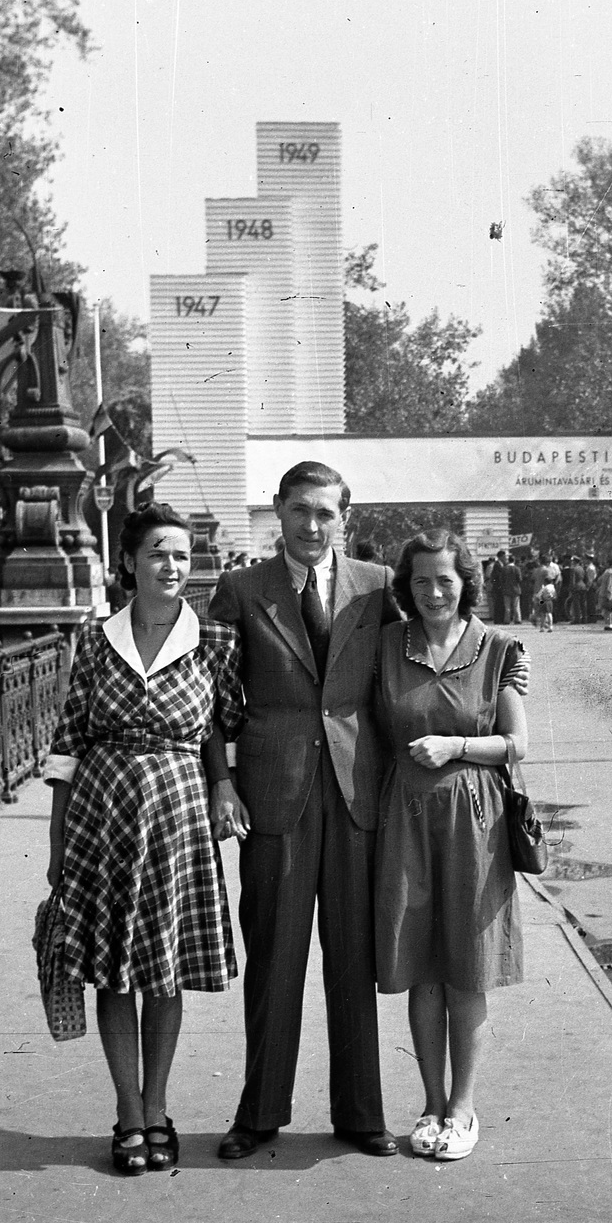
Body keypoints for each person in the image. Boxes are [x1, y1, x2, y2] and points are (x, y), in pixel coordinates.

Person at [206, 462, 404, 1159]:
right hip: (272, 794)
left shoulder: (378, 588)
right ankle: (259, 1113)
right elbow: (211, 701)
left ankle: (359, 1113)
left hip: (356, 793)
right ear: (278, 511)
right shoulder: (239, 589)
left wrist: (504, 664)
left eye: (324, 513)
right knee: (274, 959)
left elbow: (433, 646)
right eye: (299, 511)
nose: (311, 526)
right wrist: (221, 785)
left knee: (353, 959)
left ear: (343, 518)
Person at [45, 503, 246, 1175]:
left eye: (182, 556)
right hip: (102, 818)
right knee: (113, 971)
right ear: (129, 560)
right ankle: (128, 1112)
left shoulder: (213, 642)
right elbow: (68, 746)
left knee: (162, 971)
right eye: (159, 553)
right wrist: (56, 850)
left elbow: (219, 727)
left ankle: (158, 1107)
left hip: (177, 819)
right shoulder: (96, 641)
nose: (172, 567)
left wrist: (222, 784)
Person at [373, 530, 528, 1161]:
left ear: (466, 582)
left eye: (445, 579)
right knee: (421, 966)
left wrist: (455, 746)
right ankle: (430, 1104)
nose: (434, 592)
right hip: (405, 816)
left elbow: (516, 743)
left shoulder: (497, 649)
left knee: (468, 964)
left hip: (475, 823)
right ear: (405, 588)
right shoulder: (386, 645)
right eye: (420, 581)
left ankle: (463, 1109)